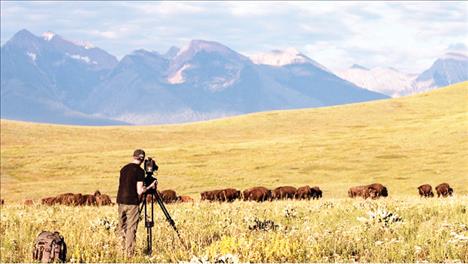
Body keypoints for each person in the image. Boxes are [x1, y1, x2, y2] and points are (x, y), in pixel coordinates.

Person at [117, 149, 157, 257]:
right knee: (131, 229)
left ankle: (120, 251)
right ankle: (129, 254)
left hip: (120, 201)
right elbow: (140, 191)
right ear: (142, 159)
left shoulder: (124, 168)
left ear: (133, 157)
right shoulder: (139, 171)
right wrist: (150, 186)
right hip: (132, 202)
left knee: (122, 226)